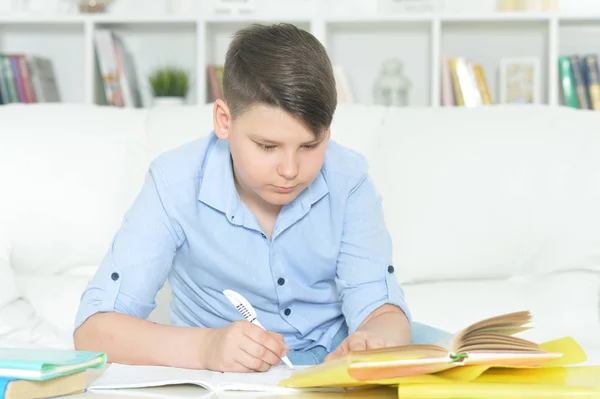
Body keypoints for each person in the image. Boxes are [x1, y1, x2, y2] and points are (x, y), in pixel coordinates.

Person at [73, 22, 450, 372]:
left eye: (309, 145)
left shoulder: (348, 180)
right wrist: (207, 348)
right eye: (267, 146)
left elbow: (381, 310)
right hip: (226, 377)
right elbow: (93, 332)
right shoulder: (174, 183)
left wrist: (375, 342)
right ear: (224, 120)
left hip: (335, 367)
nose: (290, 169)